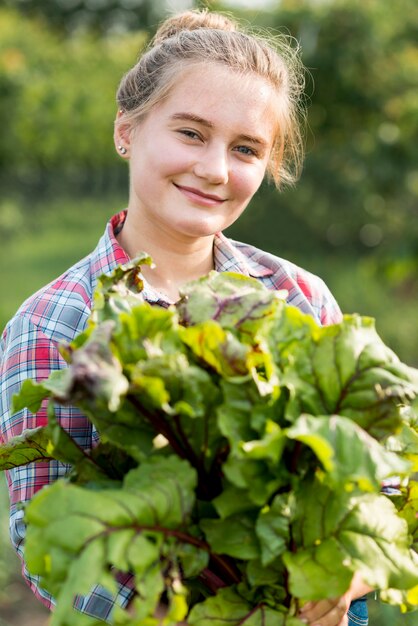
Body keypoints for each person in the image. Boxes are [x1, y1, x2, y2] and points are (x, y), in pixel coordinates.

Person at [0, 8, 371, 626]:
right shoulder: (53, 324)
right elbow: (51, 552)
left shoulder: (298, 295)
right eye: (192, 133)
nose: (215, 170)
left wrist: (347, 573)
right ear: (126, 129)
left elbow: (370, 476)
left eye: (246, 148)